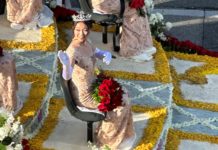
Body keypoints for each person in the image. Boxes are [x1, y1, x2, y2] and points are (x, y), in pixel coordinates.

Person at [58, 11, 136, 150]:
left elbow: (97, 52)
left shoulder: (87, 43)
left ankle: (116, 133)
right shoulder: (72, 51)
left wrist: (105, 54)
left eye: (85, 30)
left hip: (96, 85)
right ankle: (107, 140)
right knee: (120, 104)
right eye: (77, 30)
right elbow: (67, 76)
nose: (81, 34)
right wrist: (65, 65)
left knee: (124, 94)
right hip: (85, 96)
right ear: (73, 29)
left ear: (90, 30)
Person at [91, 0, 156, 62]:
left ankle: (144, 45)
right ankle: (130, 52)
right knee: (133, 8)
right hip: (102, 3)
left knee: (139, 5)